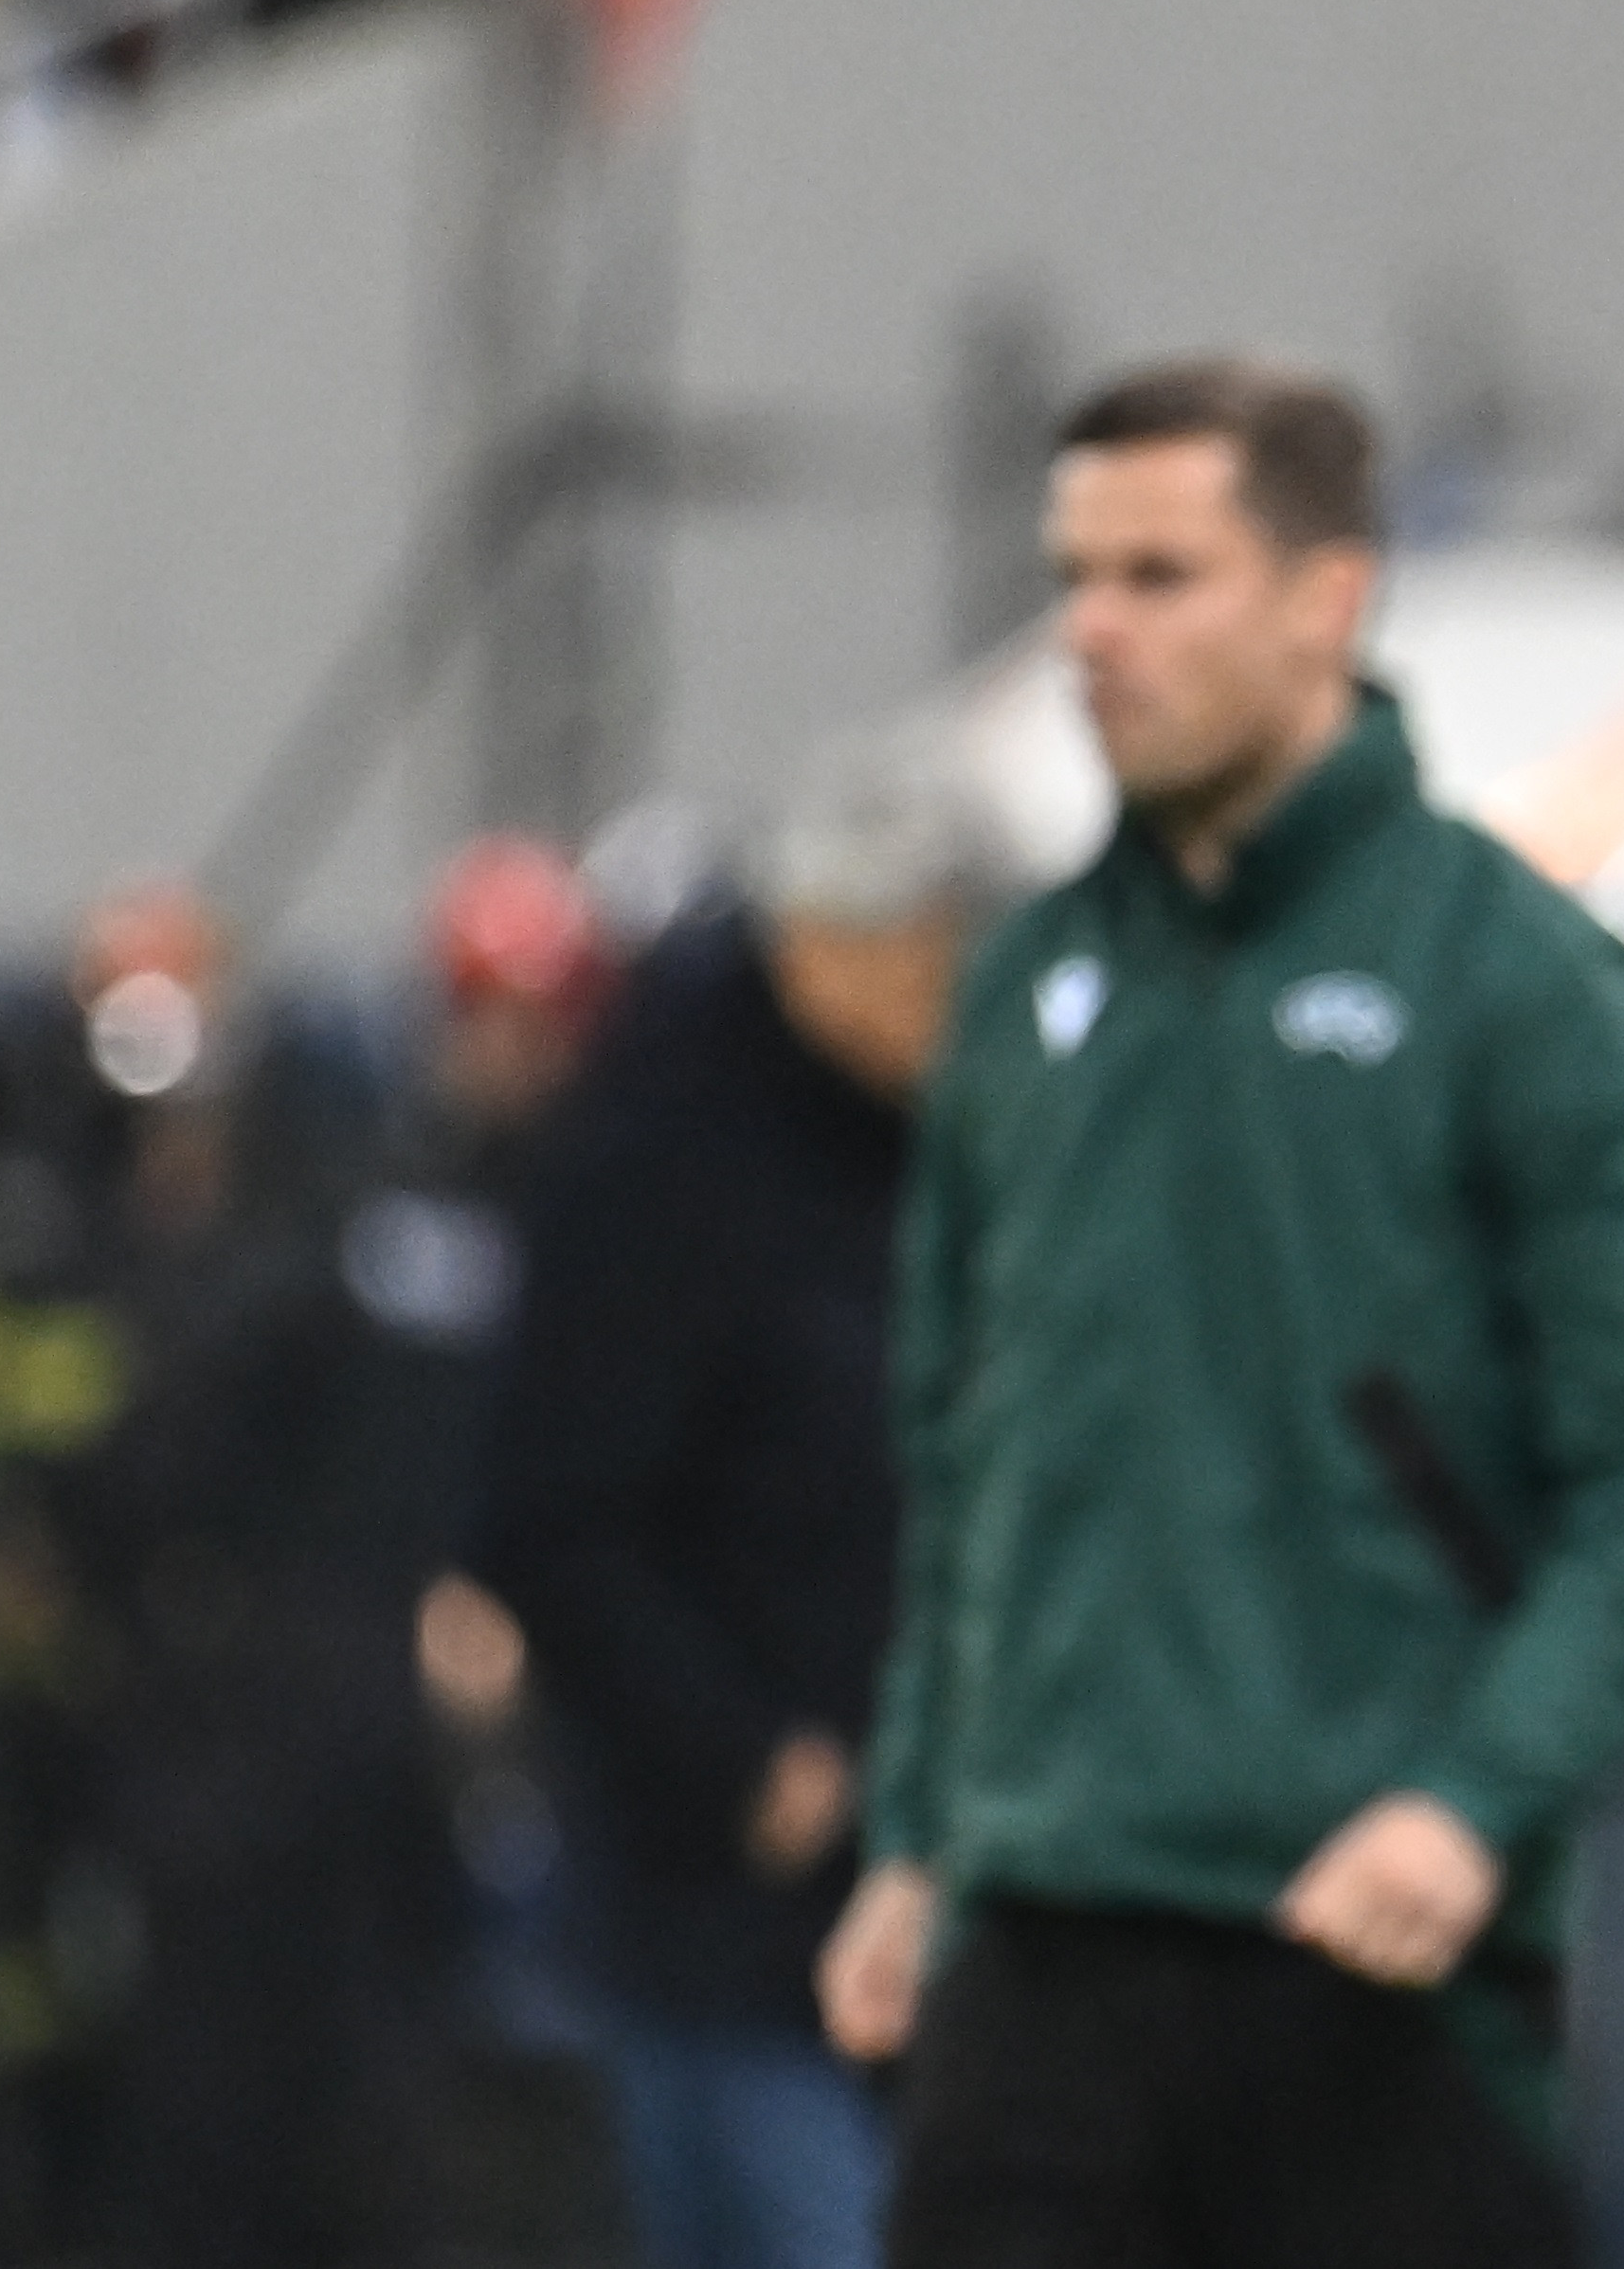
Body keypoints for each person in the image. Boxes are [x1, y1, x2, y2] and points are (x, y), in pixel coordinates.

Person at [816, 359, 1624, 2267]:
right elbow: (959, 1460)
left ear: (1329, 596)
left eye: (1160, 575)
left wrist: (1471, 1802)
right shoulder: (1022, 991)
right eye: (1076, 576)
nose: (1094, 631)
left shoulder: (1521, 982)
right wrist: (917, 1832)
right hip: (1033, 1958)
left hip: (1374, 1961)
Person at [470, 737, 1012, 2269]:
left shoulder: (941, 1161)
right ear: (820, 948)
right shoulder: (666, 1173)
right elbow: (549, 1519)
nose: (952, 985)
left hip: (943, 1885)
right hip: (725, 1907)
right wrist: (749, 1762)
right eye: (925, 945)